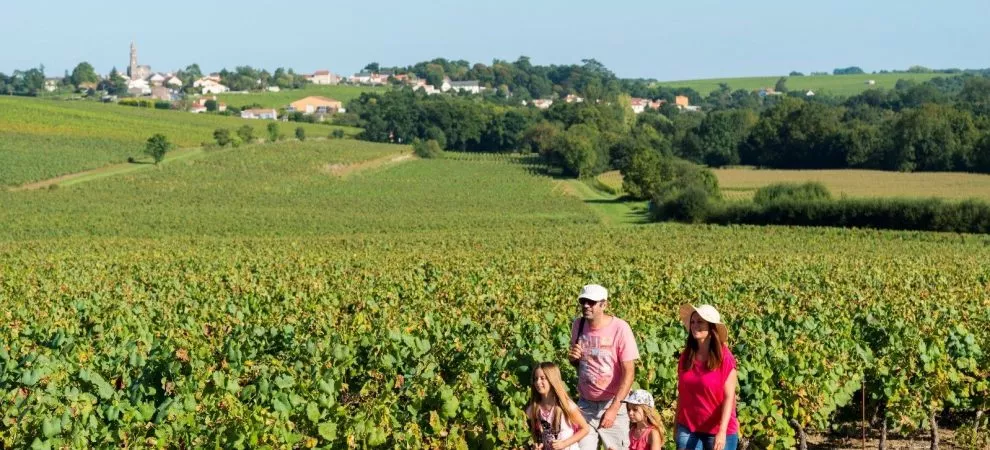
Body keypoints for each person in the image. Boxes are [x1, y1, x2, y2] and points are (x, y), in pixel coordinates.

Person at [568, 284, 640, 450]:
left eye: (591, 302)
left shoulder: (620, 328)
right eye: (583, 301)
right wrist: (573, 359)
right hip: (585, 404)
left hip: (612, 403)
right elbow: (579, 365)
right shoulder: (578, 325)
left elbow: (629, 373)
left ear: (604, 305)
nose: (586, 305)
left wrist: (614, 408)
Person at [675, 304, 739, 450]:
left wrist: (722, 432)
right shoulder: (686, 357)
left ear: (711, 327)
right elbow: (682, 393)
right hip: (688, 427)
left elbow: (729, 397)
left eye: (700, 322)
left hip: (718, 429)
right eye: (692, 322)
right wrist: (676, 423)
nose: (695, 325)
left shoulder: (725, 358)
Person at [526, 362, 591, 450]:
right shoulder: (534, 409)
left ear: (552, 379)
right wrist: (538, 445)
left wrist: (564, 444)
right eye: (535, 379)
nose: (538, 382)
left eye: (542, 378)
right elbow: (537, 435)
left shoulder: (566, 405)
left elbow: (585, 429)